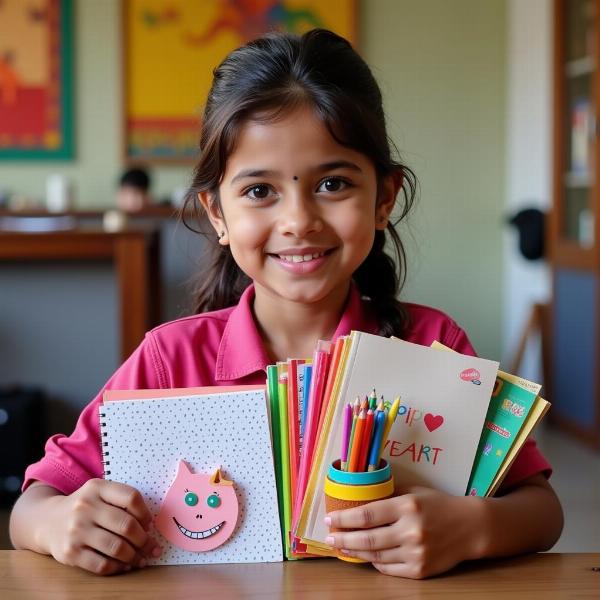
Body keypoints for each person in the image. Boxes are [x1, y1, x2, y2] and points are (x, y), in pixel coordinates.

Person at [9, 29, 563, 578]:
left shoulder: (432, 347)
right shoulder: (168, 360)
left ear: (384, 197)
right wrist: (60, 523)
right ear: (218, 213)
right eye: (259, 191)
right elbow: (31, 505)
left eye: (333, 184)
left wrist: (471, 527)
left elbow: (541, 510)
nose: (299, 221)